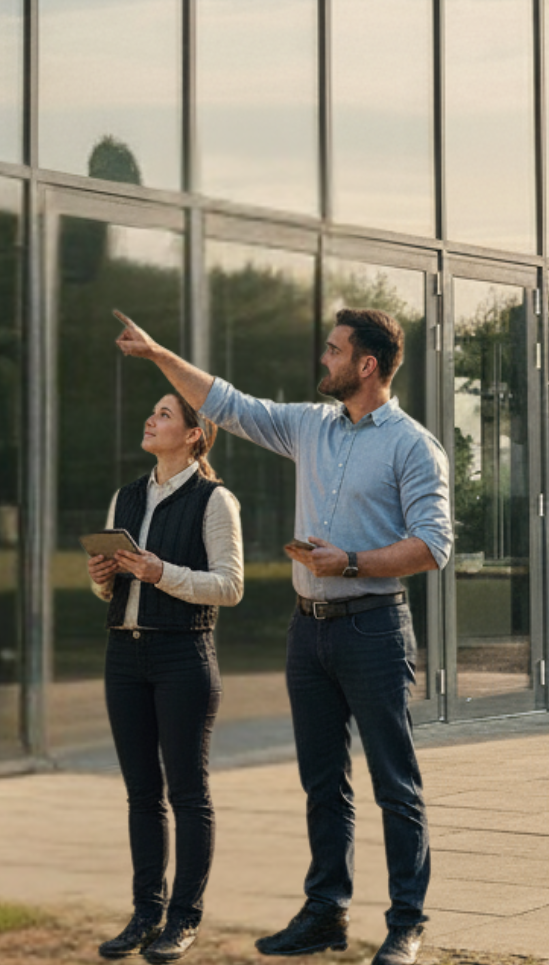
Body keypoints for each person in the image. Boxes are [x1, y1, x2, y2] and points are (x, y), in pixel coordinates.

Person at [114, 307, 450, 965]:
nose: (324, 361)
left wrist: (349, 562)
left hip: (374, 628)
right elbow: (227, 403)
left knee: (394, 784)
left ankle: (406, 922)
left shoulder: (413, 445)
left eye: (333, 351)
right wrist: (158, 355)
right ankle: (326, 911)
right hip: (310, 632)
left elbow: (432, 546)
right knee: (323, 782)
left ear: (367, 365)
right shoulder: (312, 425)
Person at [89, 393, 245, 964]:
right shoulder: (126, 497)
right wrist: (103, 577)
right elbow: (106, 591)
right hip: (124, 658)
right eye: (151, 412)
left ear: (193, 435)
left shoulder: (215, 500)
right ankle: (144, 914)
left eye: (163, 415)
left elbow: (229, 587)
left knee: (187, 792)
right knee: (140, 793)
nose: (150, 420)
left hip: (184, 657)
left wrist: (159, 572)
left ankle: (183, 920)